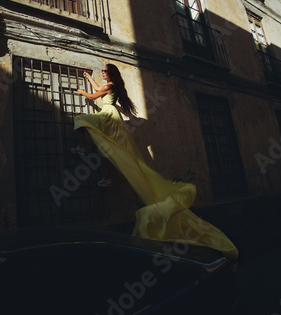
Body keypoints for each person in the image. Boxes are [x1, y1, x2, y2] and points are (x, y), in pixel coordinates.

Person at [74, 64, 239, 264]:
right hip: (111, 115)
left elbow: (93, 96)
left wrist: (81, 90)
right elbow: (98, 90)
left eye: (106, 72)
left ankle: (84, 152)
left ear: (112, 74)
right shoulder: (109, 86)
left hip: (109, 115)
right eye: (103, 71)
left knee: (84, 121)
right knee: (113, 151)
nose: (103, 73)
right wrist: (89, 78)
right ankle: (105, 177)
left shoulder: (110, 87)